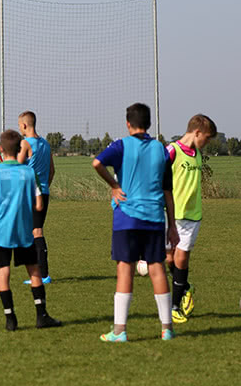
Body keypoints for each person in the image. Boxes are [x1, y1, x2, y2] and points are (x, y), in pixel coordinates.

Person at [92, 103, 179, 342]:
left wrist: (114, 186)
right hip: (154, 216)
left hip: (127, 217)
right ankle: (167, 328)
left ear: (128, 123)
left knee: (125, 268)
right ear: (149, 123)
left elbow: (97, 163)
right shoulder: (161, 149)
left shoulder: (121, 145)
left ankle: (119, 331)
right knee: (157, 268)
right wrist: (172, 225)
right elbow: (168, 192)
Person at [0, 129, 61, 331]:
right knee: (34, 270)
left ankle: (11, 319)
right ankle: (41, 316)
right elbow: (39, 205)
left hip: (0, 231)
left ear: (1, 149)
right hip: (24, 231)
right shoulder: (29, 173)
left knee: (3, 271)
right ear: (19, 149)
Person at [165, 114, 216, 324]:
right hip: (169, 213)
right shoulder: (171, 151)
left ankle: (175, 307)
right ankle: (184, 286)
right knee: (168, 258)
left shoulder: (197, 154)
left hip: (192, 216)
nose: (207, 143)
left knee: (182, 258)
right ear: (196, 132)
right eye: (206, 138)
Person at [17, 111, 55, 284]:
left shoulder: (25, 143)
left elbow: (16, 167)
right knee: (35, 231)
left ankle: (42, 275)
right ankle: (40, 273)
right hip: (44, 192)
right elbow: (52, 170)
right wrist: (44, 186)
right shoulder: (46, 144)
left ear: (24, 125)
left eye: (20, 126)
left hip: (30, 193)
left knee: (35, 232)